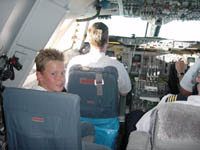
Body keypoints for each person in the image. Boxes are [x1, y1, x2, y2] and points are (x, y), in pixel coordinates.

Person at [32, 48, 95, 143]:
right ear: (39, 76)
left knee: (87, 126)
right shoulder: (61, 103)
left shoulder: (27, 95)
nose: (61, 79)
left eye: (62, 73)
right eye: (54, 74)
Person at [65, 22, 131, 96]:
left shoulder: (74, 62)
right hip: (105, 107)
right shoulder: (117, 66)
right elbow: (124, 92)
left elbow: (68, 87)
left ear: (89, 40)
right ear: (107, 40)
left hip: (77, 107)